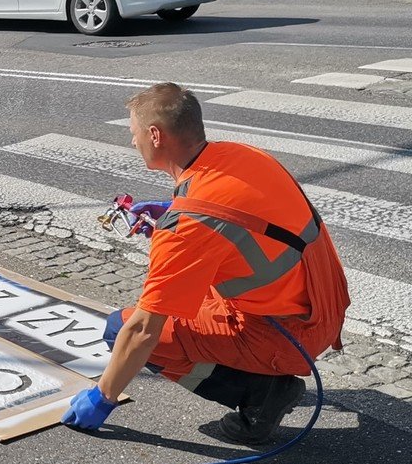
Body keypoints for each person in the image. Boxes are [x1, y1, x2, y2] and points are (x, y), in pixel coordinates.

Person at [62, 82, 350, 443]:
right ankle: (261, 382)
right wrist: (173, 210)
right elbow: (247, 217)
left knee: (119, 330)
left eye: (133, 133)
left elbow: (142, 332)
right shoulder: (243, 155)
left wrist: (102, 398)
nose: (131, 142)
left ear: (155, 135)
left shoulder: (188, 226)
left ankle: (260, 395)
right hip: (323, 303)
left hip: (288, 335)